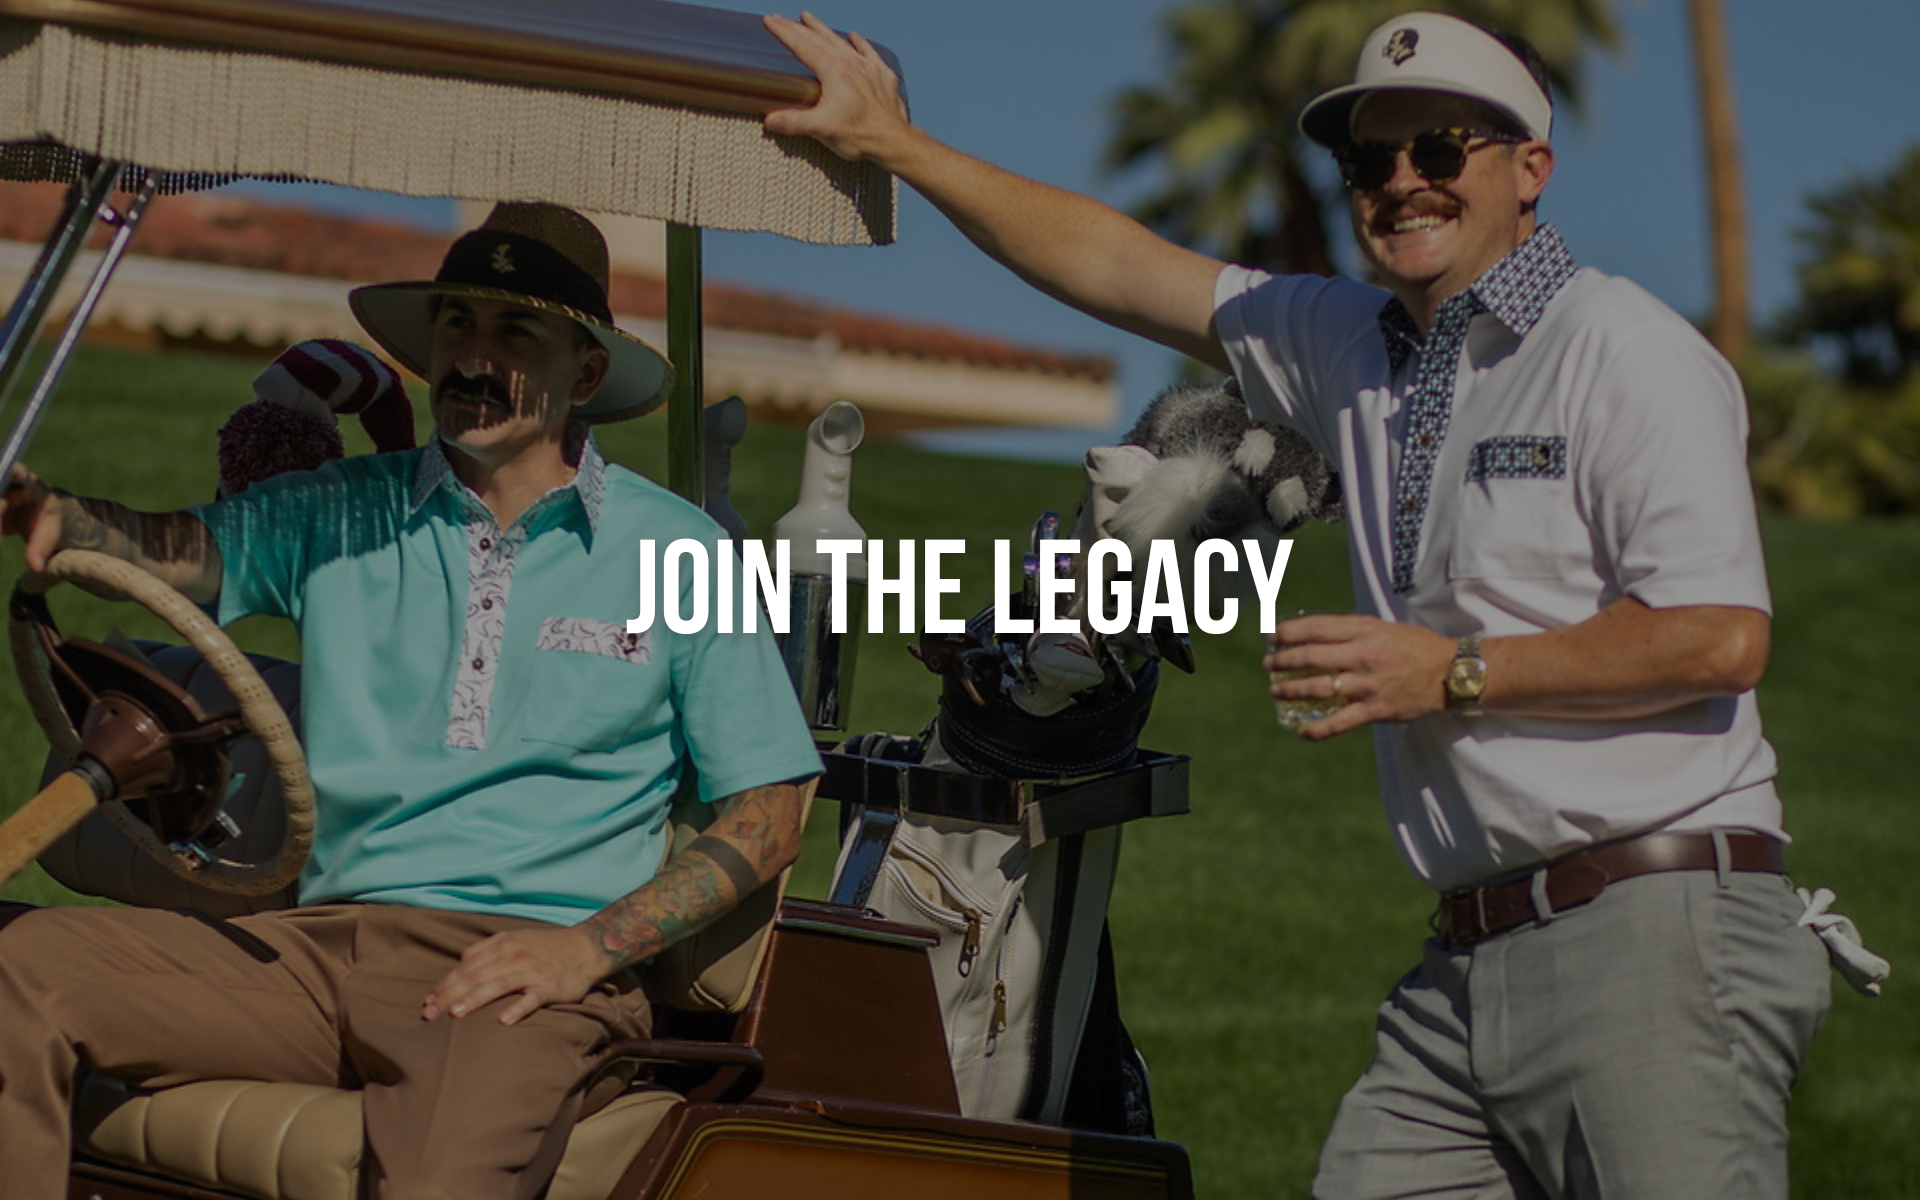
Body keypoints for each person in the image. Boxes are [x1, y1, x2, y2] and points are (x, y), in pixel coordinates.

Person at [761, 9, 1839, 1198]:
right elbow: (1114, 264)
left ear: (1530, 166)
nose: (1402, 180)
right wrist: (899, 145)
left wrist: (1450, 672)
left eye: (1441, 148)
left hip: (1655, 924)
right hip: (1469, 957)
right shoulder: (1349, 344)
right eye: (1369, 159)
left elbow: (1719, 637)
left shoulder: (1622, 348)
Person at [0, 201, 823, 1198]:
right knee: (18, 970)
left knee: (437, 1178)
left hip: (516, 977)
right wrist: (63, 517)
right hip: (308, 950)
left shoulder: (680, 550)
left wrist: (584, 952)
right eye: (457, 324)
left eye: (516, 332)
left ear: (585, 375)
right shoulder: (339, 510)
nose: (476, 357)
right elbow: (181, 550)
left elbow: (771, 812)